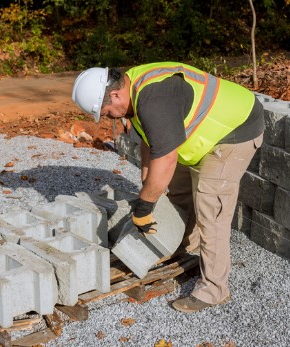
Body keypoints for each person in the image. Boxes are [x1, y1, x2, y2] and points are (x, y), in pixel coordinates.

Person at [71, 62, 264, 313]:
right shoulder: (133, 88)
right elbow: (150, 141)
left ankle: (214, 289)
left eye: (107, 112)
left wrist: (144, 207)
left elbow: (166, 157)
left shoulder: (154, 99)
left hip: (234, 129)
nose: (109, 117)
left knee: (210, 208)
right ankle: (186, 246)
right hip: (201, 129)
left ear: (116, 94)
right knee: (179, 191)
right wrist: (148, 184)